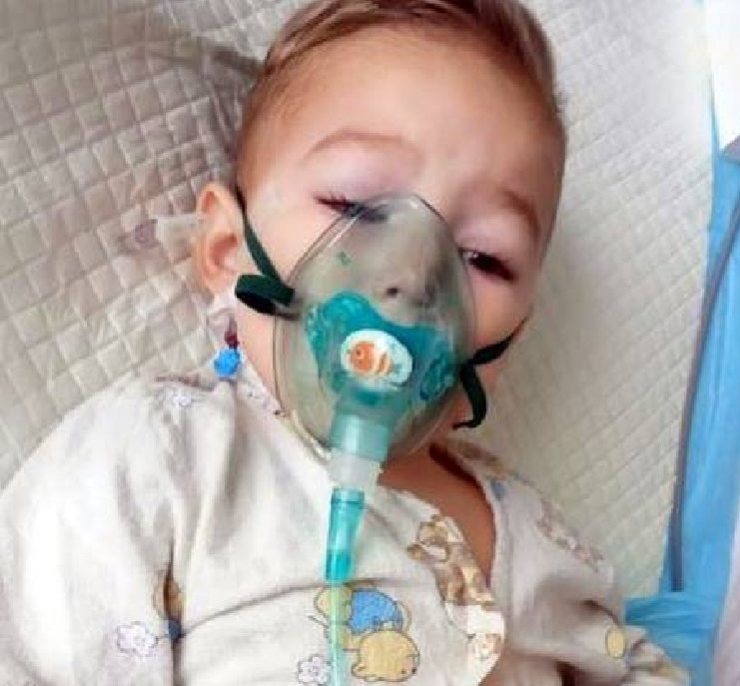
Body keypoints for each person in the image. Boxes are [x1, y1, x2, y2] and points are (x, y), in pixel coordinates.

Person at [0, 1, 686, 683]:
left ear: (504, 351)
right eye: (353, 205)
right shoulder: (158, 457)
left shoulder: (532, 531)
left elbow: (634, 666)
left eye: (483, 257)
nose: (413, 274)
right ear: (227, 248)